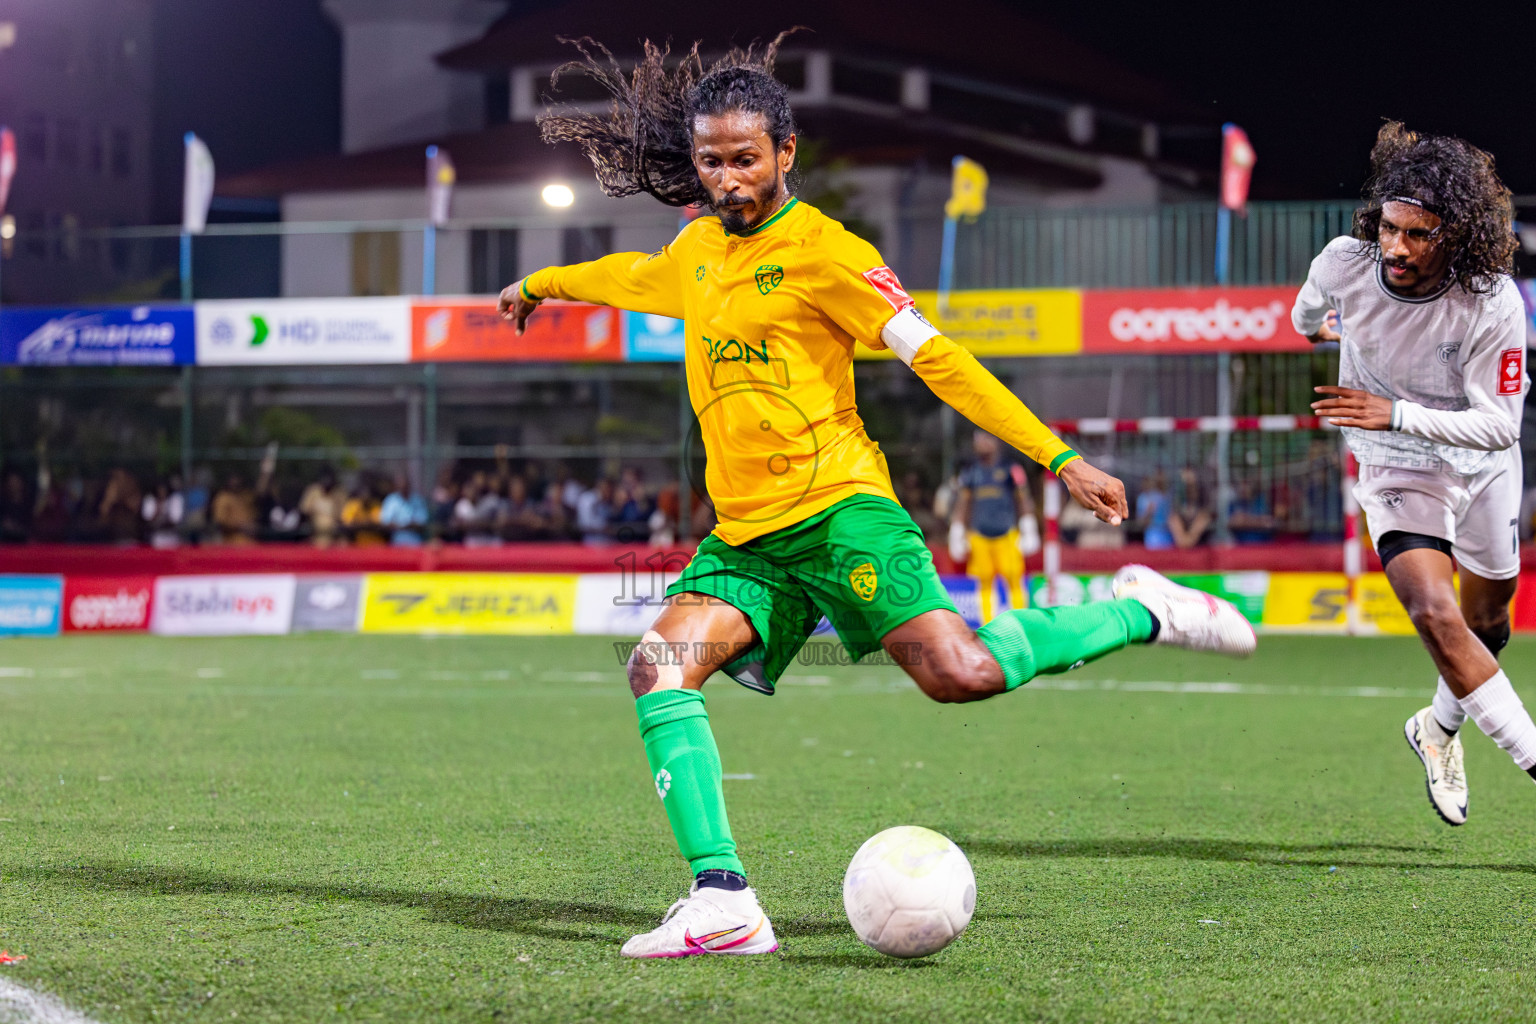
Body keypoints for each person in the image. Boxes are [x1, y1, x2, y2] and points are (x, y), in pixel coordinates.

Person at [500, 34, 1255, 959]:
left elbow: (941, 361)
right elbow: (616, 278)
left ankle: (1137, 609)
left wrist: (1061, 460)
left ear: (784, 155)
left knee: (961, 675)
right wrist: (537, 282)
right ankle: (723, 900)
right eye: (711, 161)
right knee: (659, 666)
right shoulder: (694, 253)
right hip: (748, 542)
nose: (729, 180)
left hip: (843, 511)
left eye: (746, 159)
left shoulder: (831, 253)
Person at [1295, 121, 1530, 827]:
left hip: (1480, 466)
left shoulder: (1493, 302)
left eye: (1419, 235)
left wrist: (1393, 411)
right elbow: (1307, 312)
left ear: (1457, 234)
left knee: (1488, 624)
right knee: (1435, 612)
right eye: (1390, 227)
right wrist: (1320, 331)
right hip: (1398, 468)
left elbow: (1501, 427)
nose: (1397, 247)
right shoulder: (1345, 262)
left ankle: (1436, 728)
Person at [949, 431, 1039, 622]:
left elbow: (1023, 498)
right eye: (978, 440)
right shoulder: (970, 471)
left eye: (985, 439)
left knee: (1014, 580)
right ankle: (987, 625)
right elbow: (963, 502)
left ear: (996, 442)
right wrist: (957, 530)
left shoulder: (1011, 468)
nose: (981, 443)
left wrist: (1028, 525)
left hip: (1007, 534)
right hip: (979, 536)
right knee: (984, 583)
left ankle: (1020, 622)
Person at [380, 474, 430, 546]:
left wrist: (407, 525)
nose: (404, 488)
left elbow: (422, 522)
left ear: (409, 486)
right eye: (401, 487)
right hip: (396, 543)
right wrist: (402, 526)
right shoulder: (391, 500)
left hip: (416, 543)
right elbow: (385, 522)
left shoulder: (418, 500)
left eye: (405, 486)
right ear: (397, 486)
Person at [1134, 472, 1174, 550]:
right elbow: (1140, 522)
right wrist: (1149, 512)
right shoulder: (1143, 498)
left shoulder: (1166, 497)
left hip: (1167, 533)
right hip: (1153, 534)